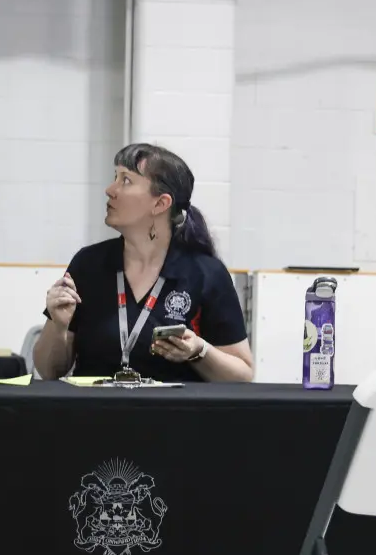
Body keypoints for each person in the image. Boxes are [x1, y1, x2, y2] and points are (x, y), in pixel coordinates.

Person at [34, 144, 254, 383]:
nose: (110, 190)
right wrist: (57, 325)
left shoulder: (206, 273)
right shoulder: (88, 264)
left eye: (125, 181)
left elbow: (243, 375)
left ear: (160, 204)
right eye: (114, 178)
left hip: (171, 417)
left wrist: (199, 351)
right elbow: (49, 372)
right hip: (93, 415)